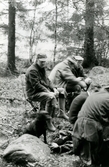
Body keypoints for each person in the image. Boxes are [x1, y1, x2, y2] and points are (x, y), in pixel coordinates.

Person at [72, 86, 109, 167]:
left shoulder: (95, 95)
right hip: (90, 126)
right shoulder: (107, 98)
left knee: (87, 155)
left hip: (80, 124)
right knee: (93, 157)